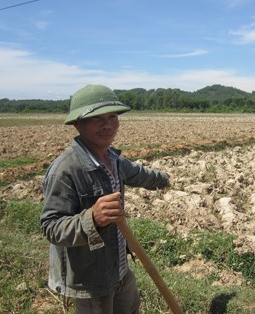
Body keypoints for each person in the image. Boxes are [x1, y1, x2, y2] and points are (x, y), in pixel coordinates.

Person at [40, 84, 170, 314]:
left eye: (112, 117)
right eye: (97, 118)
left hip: (118, 265)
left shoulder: (114, 158)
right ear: (77, 124)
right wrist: (92, 218)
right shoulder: (66, 170)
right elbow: (51, 227)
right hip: (91, 277)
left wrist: (164, 180)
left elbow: (138, 174)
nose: (108, 125)